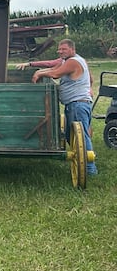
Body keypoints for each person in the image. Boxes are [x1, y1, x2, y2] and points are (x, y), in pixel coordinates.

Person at [31, 38, 97, 175]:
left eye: (64, 49)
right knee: (71, 135)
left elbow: (55, 74)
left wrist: (39, 73)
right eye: (59, 49)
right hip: (79, 103)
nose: (60, 51)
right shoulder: (78, 60)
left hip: (77, 104)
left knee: (82, 137)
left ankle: (90, 170)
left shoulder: (73, 62)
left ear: (73, 49)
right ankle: (85, 165)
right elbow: (90, 79)